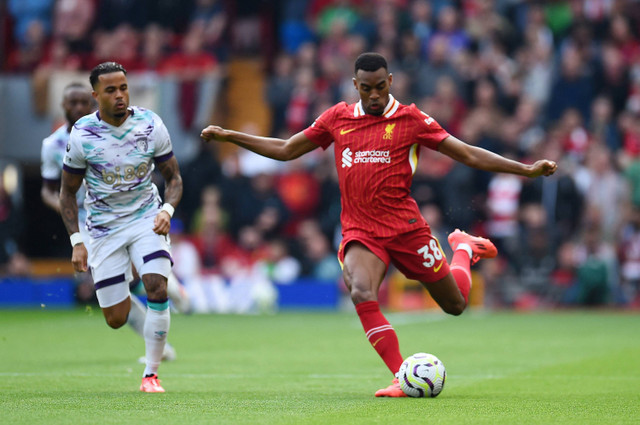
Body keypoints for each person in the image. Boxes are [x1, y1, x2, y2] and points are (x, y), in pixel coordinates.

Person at [201, 52, 558, 397]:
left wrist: (524, 169)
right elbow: (285, 150)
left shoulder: (411, 119)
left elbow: (465, 152)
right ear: (354, 84)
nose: (374, 96)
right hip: (362, 232)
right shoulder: (336, 118)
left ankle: (463, 248)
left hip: (407, 229)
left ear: (390, 82)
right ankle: (404, 376)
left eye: (380, 88)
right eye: (366, 88)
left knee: (456, 304)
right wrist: (231, 136)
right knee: (360, 290)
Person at [41, 82, 188, 365]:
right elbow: (50, 190)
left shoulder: (118, 133)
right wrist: (65, 207)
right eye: (72, 103)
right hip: (86, 221)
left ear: (94, 103)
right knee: (117, 290)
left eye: (84, 102)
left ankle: (165, 290)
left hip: (124, 215)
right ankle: (160, 336)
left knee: (137, 273)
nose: (79, 108)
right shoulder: (53, 145)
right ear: (64, 107)